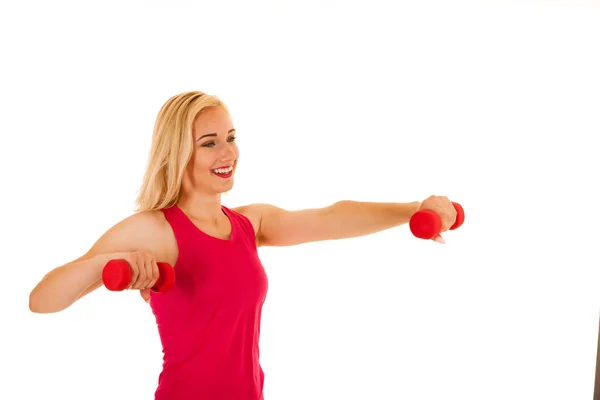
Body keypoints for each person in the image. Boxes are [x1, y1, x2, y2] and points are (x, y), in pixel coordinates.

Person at [28, 91, 458, 400]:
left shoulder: (249, 224)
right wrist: (111, 261)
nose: (227, 152)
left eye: (231, 137)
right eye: (209, 143)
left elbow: (331, 217)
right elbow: (42, 300)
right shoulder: (156, 230)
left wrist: (413, 208)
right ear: (178, 153)